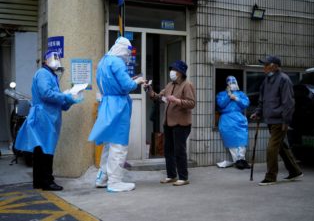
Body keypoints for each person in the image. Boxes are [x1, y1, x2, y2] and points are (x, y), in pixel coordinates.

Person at [15, 50, 78, 191]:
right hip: (44, 116)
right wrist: (65, 97)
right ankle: (48, 182)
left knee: (41, 150)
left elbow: (54, 98)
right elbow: (46, 94)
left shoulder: (50, 75)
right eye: (53, 58)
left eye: (58, 57)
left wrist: (68, 101)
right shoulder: (43, 74)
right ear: (45, 60)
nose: (56, 60)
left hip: (48, 116)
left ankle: (39, 181)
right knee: (46, 150)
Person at [88, 36, 145, 192]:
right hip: (119, 106)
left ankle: (102, 177)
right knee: (119, 145)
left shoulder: (103, 61)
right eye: (129, 52)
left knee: (109, 144)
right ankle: (115, 182)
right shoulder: (118, 62)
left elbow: (111, 82)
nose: (129, 56)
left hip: (107, 103)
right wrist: (138, 81)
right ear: (123, 50)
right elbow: (127, 85)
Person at [250, 55, 303, 186]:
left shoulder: (284, 80)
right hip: (270, 119)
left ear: (274, 66)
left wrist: (286, 121)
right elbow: (262, 100)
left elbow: (288, 103)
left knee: (271, 148)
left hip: (280, 120)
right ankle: (295, 171)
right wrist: (257, 112)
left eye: (266, 65)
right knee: (281, 146)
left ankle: (271, 176)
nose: (264, 68)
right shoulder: (266, 81)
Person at [144, 60, 196, 186]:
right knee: (168, 151)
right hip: (168, 123)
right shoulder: (169, 85)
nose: (172, 72)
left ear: (181, 73)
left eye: (175, 70)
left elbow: (192, 103)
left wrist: (177, 100)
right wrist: (149, 90)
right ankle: (171, 175)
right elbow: (159, 98)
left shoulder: (187, 85)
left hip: (181, 123)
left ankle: (183, 177)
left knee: (179, 150)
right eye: (172, 69)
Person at [216, 76, 251, 170]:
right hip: (227, 119)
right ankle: (237, 161)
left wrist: (236, 98)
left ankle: (242, 159)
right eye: (230, 83)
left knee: (242, 139)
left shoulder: (241, 94)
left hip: (239, 118)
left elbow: (246, 103)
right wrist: (228, 96)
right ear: (227, 84)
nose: (232, 85)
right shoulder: (221, 94)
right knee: (232, 140)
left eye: (234, 82)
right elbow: (220, 104)